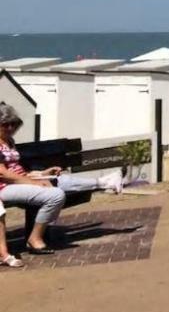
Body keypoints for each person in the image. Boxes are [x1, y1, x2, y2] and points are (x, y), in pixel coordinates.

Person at [0, 102, 123, 260]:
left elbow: (18, 170)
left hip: (22, 180)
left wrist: (42, 173)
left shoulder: (9, 142)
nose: (10, 128)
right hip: (6, 187)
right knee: (55, 195)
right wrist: (33, 182)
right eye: (6, 124)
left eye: (14, 124)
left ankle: (105, 182)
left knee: (59, 179)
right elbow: (3, 174)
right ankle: (34, 238)